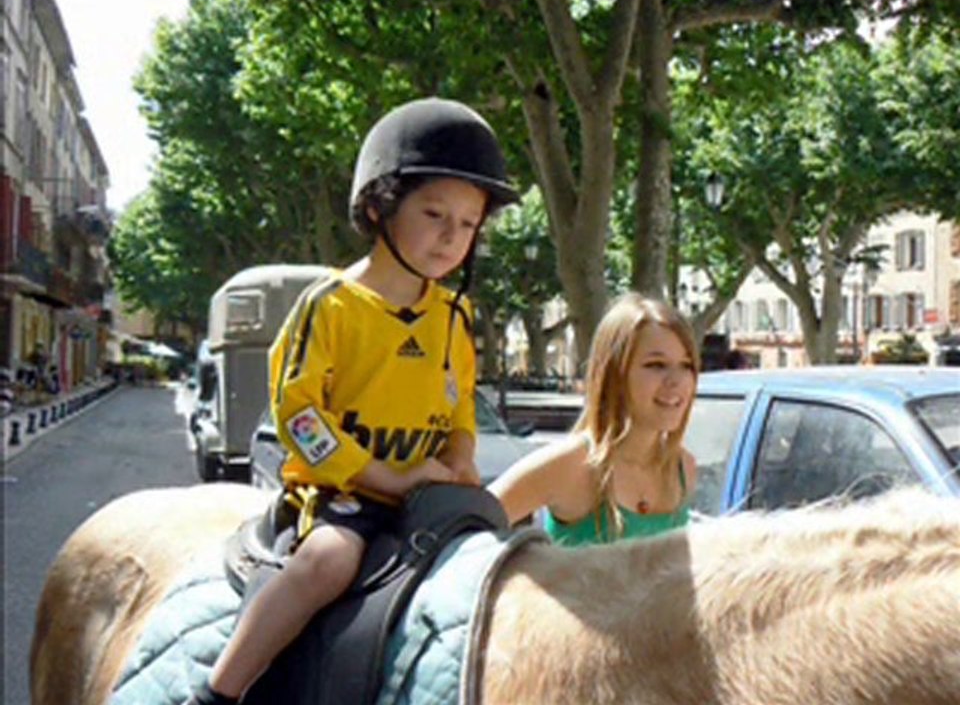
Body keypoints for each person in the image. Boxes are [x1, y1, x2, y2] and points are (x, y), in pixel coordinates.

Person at [189, 97, 518, 705]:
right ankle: (219, 693)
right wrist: (388, 479)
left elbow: (459, 403)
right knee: (328, 564)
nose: (453, 237)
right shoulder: (330, 306)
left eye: (469, 224)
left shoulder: (454, 315)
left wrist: (461, 454)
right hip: (343, 495)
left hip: (431, 494)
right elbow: (299, 416)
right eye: (434, 214)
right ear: (378, 207)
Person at [489, 294, 699, 546]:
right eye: (656, 365)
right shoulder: (571, 465)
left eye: (686, 365)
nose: (676, 380)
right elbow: (469, 526)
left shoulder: (683, 468)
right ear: (614, 373)